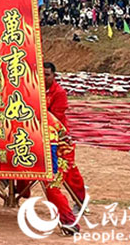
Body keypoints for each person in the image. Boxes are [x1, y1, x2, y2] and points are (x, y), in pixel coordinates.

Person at [43, 62, 87, 206]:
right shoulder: (37, 90)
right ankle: (19, 192)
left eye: (47, 75)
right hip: (40, 136)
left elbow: (55, 116)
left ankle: (80, 200)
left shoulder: (59, 93)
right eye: (41, 74)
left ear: (54, 76)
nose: (44, 78)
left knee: (68, 171)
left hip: (58, 139)